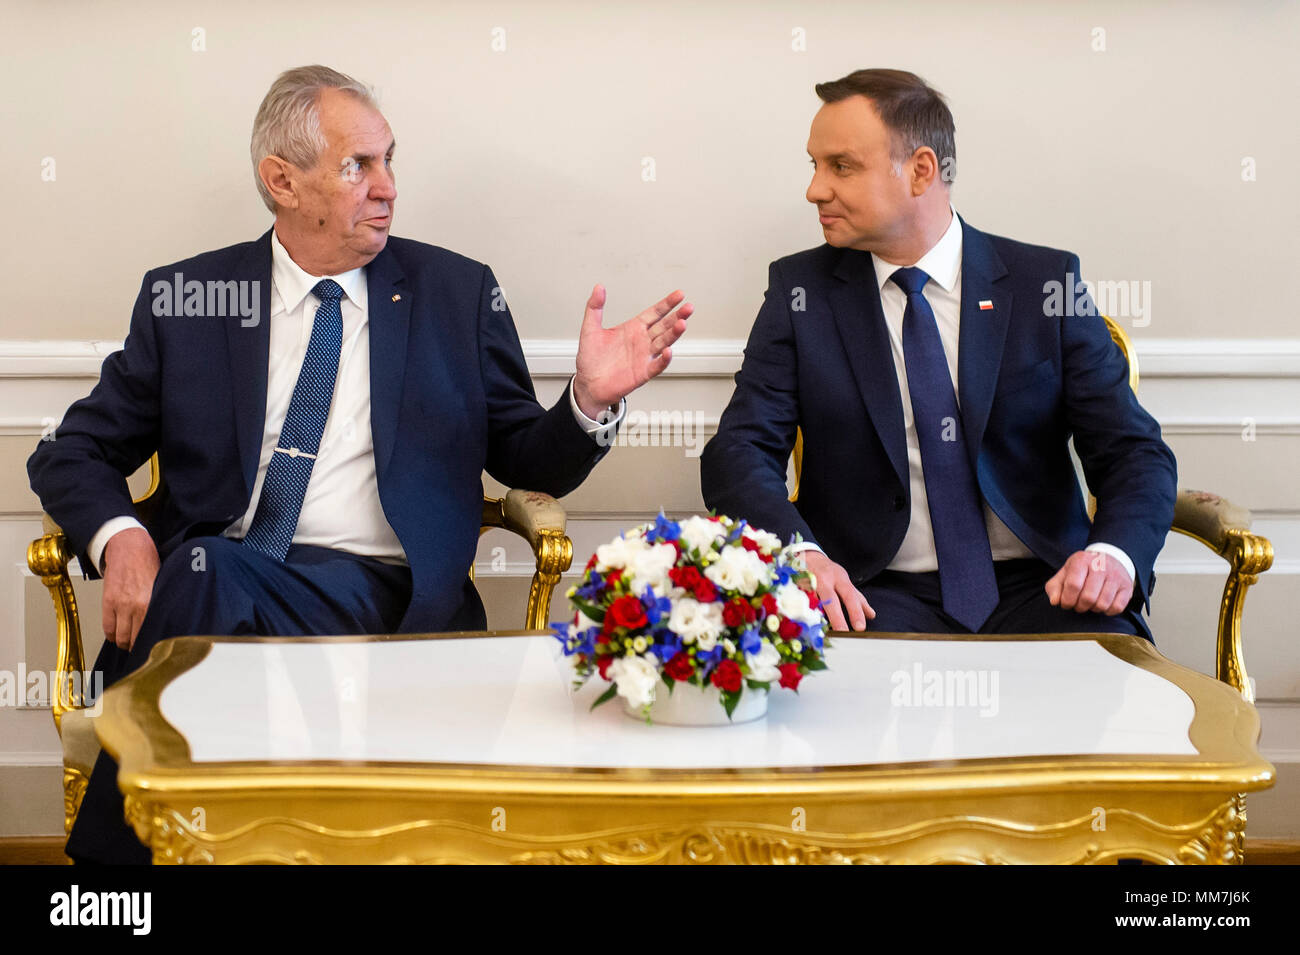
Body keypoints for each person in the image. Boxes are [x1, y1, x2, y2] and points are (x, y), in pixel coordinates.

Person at [28, 64, 692, 863]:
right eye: (358, 166)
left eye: (388, 161)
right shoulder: (189, 296)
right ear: (283, 181)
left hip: (393, 598)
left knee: (201, 573)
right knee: (205, 566)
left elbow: (525, 456)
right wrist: (120, 536)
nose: (388, 187)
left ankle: (107, 886)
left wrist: (587, 401)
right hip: (233, 589)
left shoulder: (454, 290)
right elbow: (75, 448)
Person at [701, 69, 1175, 639]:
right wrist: (798, 555)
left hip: (1045, 590)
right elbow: (739, 451)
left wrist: (1113, 558)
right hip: (867, 594)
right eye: (815, 165)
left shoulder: (1044, 283)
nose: (815, 189)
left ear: (921, 171)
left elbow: (1133, 452)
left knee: (1111, 682)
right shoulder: (800, 293)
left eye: (841, 166)